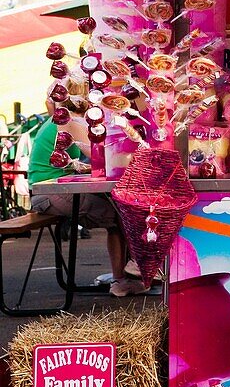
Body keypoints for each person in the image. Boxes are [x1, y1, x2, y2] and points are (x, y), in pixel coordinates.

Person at [28, 87, 146, 297]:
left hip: (46, 188)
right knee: (118, 216)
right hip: (46, 192)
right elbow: (97, 153)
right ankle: (124, 279)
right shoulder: (71, 121)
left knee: (119, 210)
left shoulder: (64, 118)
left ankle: (131, 273)